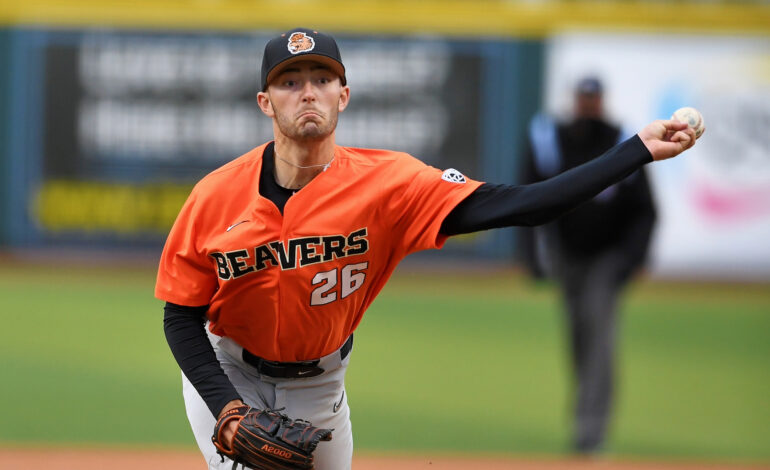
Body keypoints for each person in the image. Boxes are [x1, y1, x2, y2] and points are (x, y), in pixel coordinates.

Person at [155, 28, 695, 470]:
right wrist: (226, 408)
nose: (307, 92)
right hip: (229, 376)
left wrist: (637, 151)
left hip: (320, 383)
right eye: (289, 81)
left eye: (322, 79)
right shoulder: (215, 195)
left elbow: (525, 205)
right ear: (265, 102)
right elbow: (181, 316)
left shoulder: (390, 185)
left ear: (343, 96)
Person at [518, 76, 657, 454]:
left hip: (607, 258)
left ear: (602, 101)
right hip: (568, 256)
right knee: (580, 337)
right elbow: (526, 197)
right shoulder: (550, 139)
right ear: (574, 100)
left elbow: (645, 209)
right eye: (584, 97)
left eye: (594, 98)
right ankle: (586, 423)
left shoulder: (621, 141)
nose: (589, 104)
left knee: (598, 339)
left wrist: (632, 258)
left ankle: (590, 432)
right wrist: (532, 258)